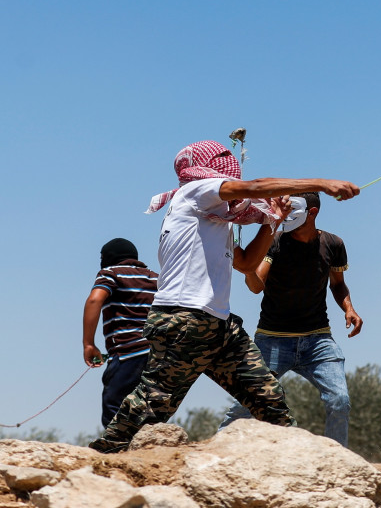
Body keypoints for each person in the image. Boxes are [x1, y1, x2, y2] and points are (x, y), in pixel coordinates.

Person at [89, 140, 359, 453]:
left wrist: (272, 222)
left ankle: (292, 466)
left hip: (218, 325)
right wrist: (321, 184)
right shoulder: (195, 192)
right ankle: (100, 459)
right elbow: (255, 186)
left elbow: (245, 263)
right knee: (151, 404)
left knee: (267, 397)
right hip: (184, 320)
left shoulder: (213, 218)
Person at [219, 191, 362, 446]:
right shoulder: (275, 241)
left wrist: (349, 308)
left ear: (312, 213)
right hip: (273, 341)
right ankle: (214, 451)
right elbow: (256, 285)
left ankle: (339, 461)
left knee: (340, 401)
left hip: (318, 341)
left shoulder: (334, 244)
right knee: (246, 404)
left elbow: (338, 284)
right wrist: (247, 270)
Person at [83, 238, 159, 427]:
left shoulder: (109, 273)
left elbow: (94, 301)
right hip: (159, 355)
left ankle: (116, 453)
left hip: (128, 353)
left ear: (108, 258)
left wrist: (89, 344)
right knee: (149, 411)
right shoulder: (156, 277)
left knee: (114, 408)